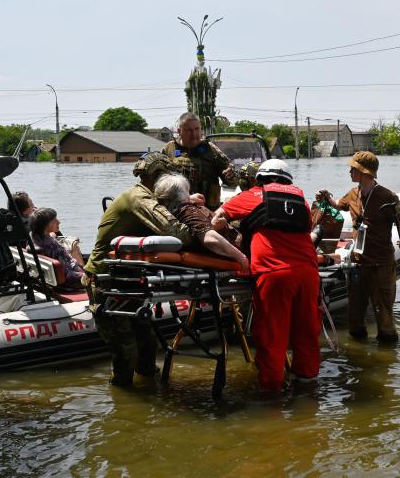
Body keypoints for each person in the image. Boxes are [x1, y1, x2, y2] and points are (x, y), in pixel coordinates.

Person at [84, 152, 195, 387]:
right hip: (107, 280)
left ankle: (147, 395)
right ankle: (122, 395)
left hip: (130, 278)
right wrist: (208, 230)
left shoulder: (147, 197)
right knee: (125, 349)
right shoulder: (140, 198)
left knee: (147, 344)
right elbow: (178, 232)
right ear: (157, 177)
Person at [212, 159, 321, 391]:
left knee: (273, 335)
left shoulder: (251, 195)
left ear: (258, 178)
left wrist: (232, 233)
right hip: (308, 272)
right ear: (288, 181)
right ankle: (308, 390)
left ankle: (272, 395)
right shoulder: (300, 199)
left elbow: (216, 219)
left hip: (274, 273)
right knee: (307, 333)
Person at [314, 151, 400, 343]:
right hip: (357, 266)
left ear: (364, 172)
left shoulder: (388, 197)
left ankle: (387, 354)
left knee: (385, 320)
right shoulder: (353, 194)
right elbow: (337, 204)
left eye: (353, 168)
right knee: (355, 320)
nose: (350, 172)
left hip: (381, 266)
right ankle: (358, 355)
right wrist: (326, 196)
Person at [153, 173, 249, 274]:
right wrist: (241, 257)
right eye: (187, 191)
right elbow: (210, 238)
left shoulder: (173, 208)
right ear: (182, 195)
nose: (190, 194)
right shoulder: (188, 211)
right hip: (236, 251)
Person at [164, 112, 238, 210]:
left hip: (207, 210)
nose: (194, 134)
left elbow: (232, 182)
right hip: (178, 209)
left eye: (197, 129)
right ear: (179, 131)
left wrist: (230, 176)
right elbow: (159, 182)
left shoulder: (210, 150)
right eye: (189, 130)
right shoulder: (169, 149)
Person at [28, 207, 85, 289]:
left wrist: (50, 235)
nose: (59, 222)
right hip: (67, 283)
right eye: (55, 220)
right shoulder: (51, 247)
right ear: (46, 225)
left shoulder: (33, 235)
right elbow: (67, 275)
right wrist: (85, 275)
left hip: (48, 279)